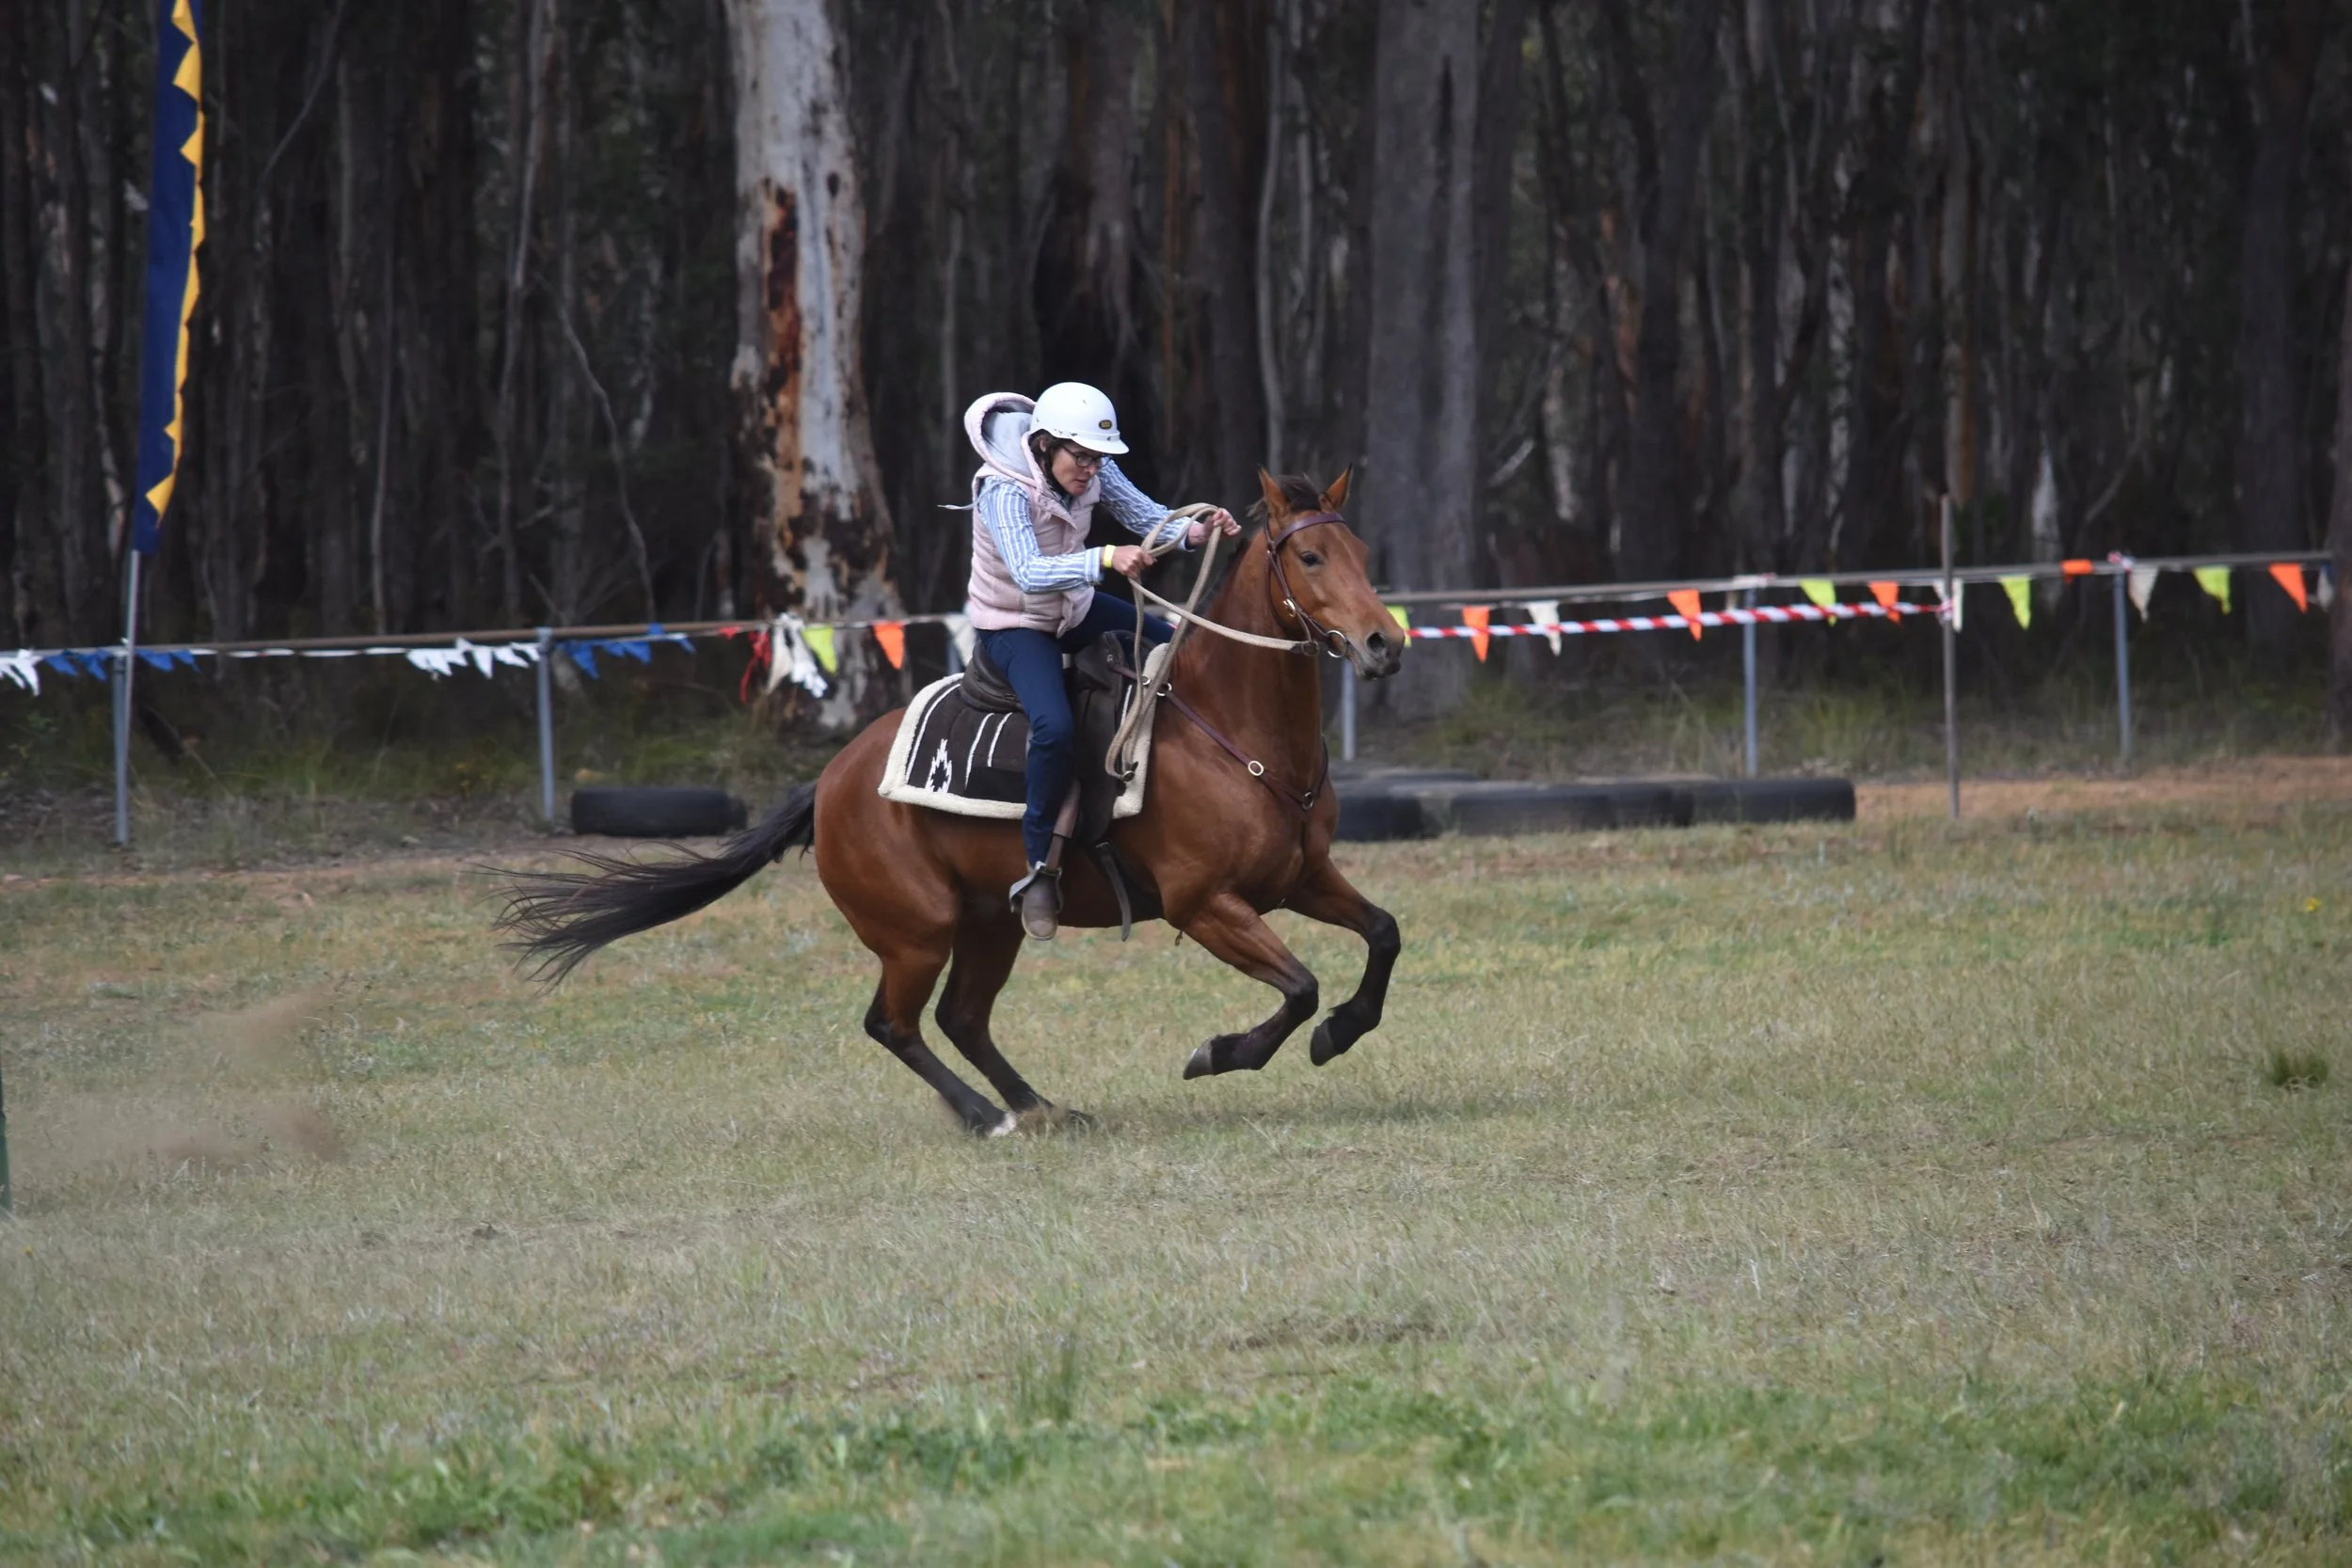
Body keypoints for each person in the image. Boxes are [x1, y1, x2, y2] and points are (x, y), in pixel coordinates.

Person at [961, 382, 1240, 940]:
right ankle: (1040, 865)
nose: (1090, 469)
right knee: (1054, 728)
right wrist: (1108, 558)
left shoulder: (1092, 470)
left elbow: (1146, 516)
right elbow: (1028, 572)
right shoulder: (1002, 490)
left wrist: (1196, 532)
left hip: (1077, 607)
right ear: (1044, 445)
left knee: (1182, 654)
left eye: (1096, 459)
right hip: (1016, 626)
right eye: (1081, 457)